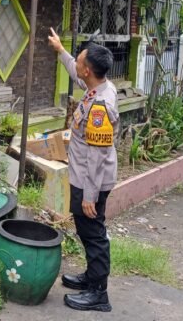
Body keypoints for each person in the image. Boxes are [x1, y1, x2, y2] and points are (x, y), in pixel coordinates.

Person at [47, 27, 118, 312]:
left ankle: (99, 293)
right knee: (87, 230)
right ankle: (91, 277)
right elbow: (75, 75)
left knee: (93, 234)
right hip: (85, 177)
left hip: (92, 181)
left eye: (79, 59)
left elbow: (97, 155)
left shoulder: (100, 105)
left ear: (88, 70)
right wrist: (60, 51)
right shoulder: (98, 86)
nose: (76, 61)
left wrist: (89, 195)